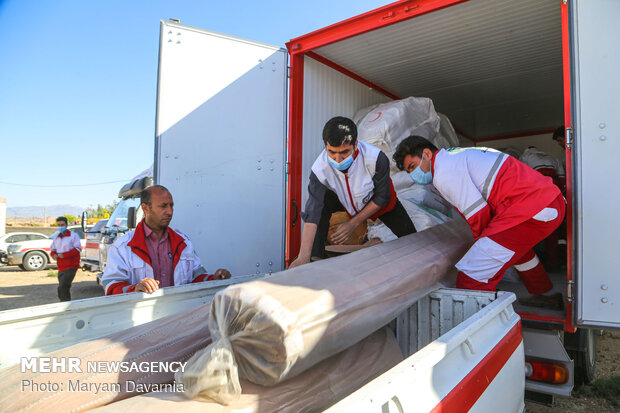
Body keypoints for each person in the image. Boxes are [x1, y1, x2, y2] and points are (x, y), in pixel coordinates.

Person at [393, 136, 565, 310]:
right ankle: (545, 294)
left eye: (413, 167)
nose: (413, 175)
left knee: (471, 277)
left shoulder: (444, 171)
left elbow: (479, 215)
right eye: (409, 172)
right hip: (546, 200)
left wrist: (481, 248)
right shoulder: (455, 155)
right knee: (517, 249)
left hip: (530, 207)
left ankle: (489, 330)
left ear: (427, 154)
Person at [289, 116, 417, 268]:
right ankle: (315, 258)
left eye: (344, 152)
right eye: (331, 152)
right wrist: (303, 256)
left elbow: (382, 197)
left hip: (379, 201)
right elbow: (313, 213)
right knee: (320, 205)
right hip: (346, 201)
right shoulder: (319, 169)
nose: (337, 159)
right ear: (326, 146)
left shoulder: (376, 158)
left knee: (412, 242)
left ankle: (417, 259)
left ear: (355, 144)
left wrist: (353, 224)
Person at [102, 185, 231, 295]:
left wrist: (214, 278)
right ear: (146, 208)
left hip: (180, 317)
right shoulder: (122, 247)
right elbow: (111, 286)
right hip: (143, 321)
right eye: (163, 206)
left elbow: (196, 277)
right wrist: (135, 289)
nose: (169, 211)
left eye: (171, 206)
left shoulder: (184, 243)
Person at [50, 216, 82, 301]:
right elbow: (52, 250)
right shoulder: (56, 237)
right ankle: (65, 304)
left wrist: (64, 255)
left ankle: (66, 305)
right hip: (61, 266)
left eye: (62, 225)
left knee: (63, 287)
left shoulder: (73, 236)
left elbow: (77, 249)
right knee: (62, 288)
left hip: (71, 266)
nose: (60, 226)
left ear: (66, 225)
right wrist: (53, 255)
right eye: (59, 225)